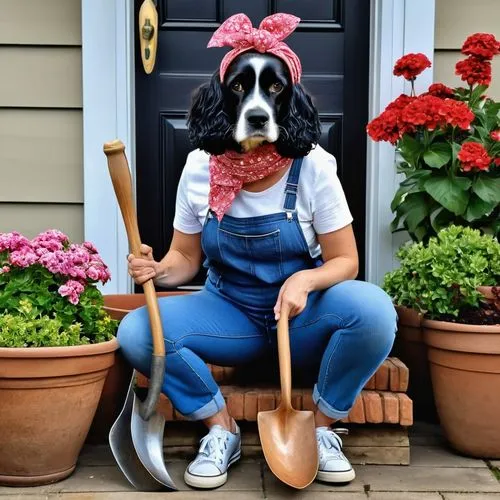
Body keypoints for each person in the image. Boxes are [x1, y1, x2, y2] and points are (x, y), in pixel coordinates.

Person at [117, 13, 397, 490]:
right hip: (231, 315)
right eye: (242, 89)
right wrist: (155, 268)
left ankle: (324, 431)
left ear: (288, 101)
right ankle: (219, 429)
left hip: (301, 320)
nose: (257, 104)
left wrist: (305, 280)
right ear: (223, 100)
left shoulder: (314, 167)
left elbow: (346, 261)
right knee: (137, 332)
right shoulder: (200, 169)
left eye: (273, 90)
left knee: (374, 311)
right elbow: (185, 260)